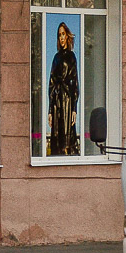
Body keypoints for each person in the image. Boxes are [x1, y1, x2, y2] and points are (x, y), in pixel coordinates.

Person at [47, 22, 80, 156]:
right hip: (56, 101)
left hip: (67, 99)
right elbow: (51, 83)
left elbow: (75, 82)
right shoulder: (56, 58)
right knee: (56, 136)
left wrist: (74, 109)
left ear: (67, 36)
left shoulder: (71, 56)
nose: (61, 38)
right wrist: (50, 110)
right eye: (59, 35)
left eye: (63, 34)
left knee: (67, 137)